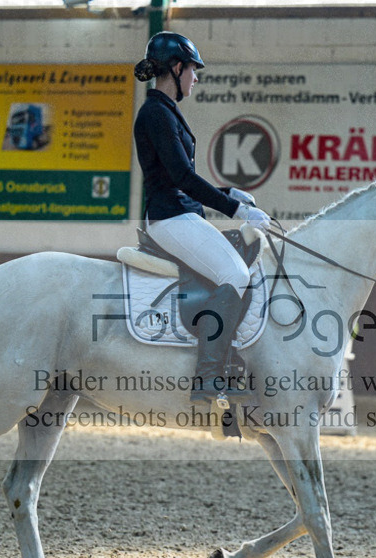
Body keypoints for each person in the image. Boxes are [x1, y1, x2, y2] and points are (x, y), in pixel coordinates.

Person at [133, 31, 271, 404]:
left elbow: (180, 177)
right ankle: (208, 377)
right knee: (235, 274)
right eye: (193, 69)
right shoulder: (156, 114)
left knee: (243, 263)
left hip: (182, 215)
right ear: (176, 68)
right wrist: (236, 209)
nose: (196, 77)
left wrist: (228, 193)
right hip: (170, 219)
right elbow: (181, 178)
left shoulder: (165, 112)